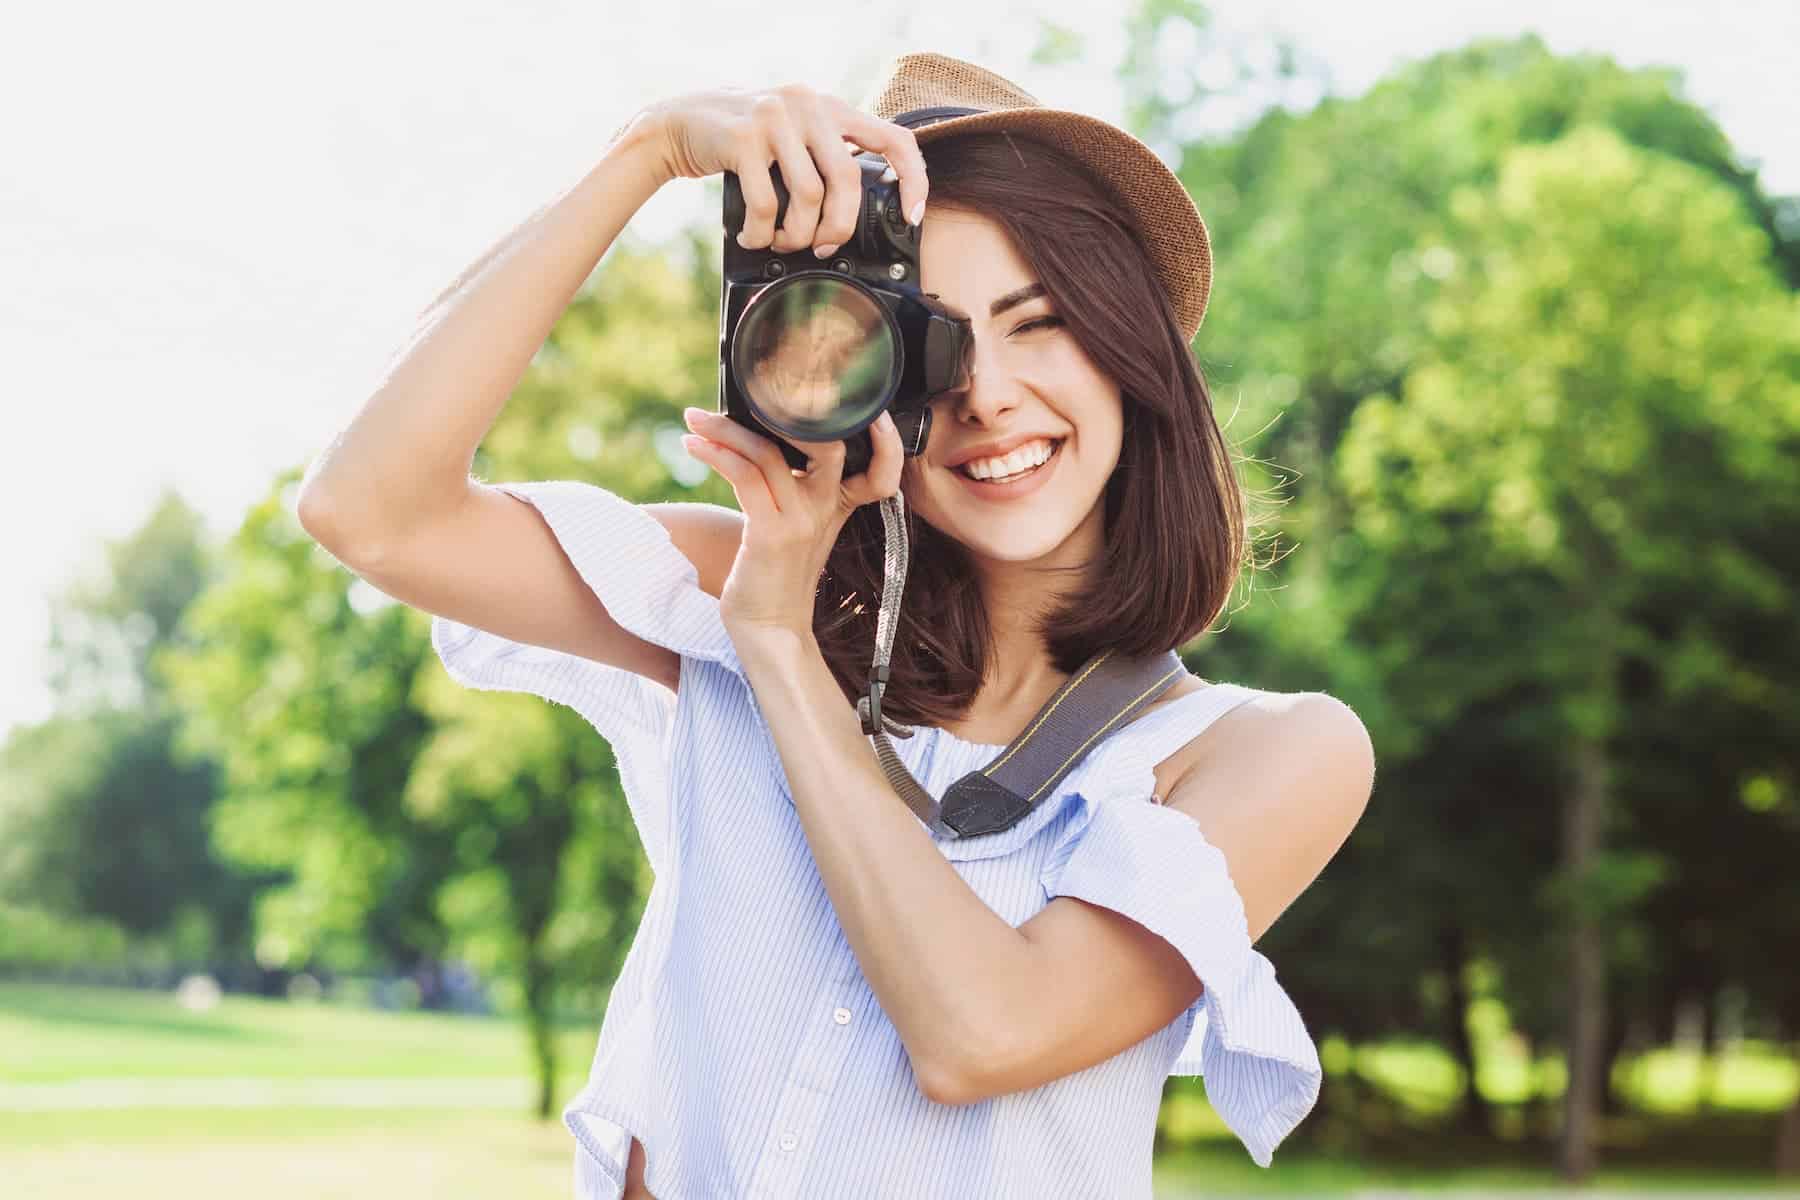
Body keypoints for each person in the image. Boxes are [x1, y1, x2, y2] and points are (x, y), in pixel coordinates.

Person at [299, 50, 1373, 1200]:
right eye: (925, 343)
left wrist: (776, 650)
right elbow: (369, 510)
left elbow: (982, 1037)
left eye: (1042, 322)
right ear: (834, 375)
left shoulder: (1265, 751)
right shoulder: (744, 575)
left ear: (1133, 355)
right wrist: (644, 154)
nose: (987, 394)